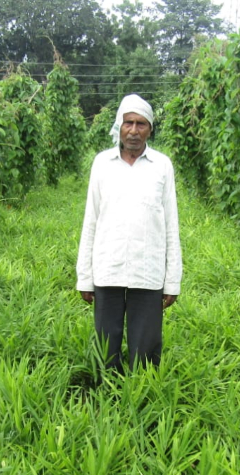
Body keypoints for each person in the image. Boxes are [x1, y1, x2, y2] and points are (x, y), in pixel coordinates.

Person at [76, 94, 182, 371]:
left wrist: (172, 281)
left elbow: (171, 224)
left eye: (141, 124)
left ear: (150, 129)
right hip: (108, 268)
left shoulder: (162, 166)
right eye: (128, 123)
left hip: (148, 271)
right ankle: (106, 395)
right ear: (119, 127)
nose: (134, 131)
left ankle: (143, 395)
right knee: (105, 345)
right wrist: (85, 278)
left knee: (146, 347)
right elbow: (91, 221)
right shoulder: (102, 163)